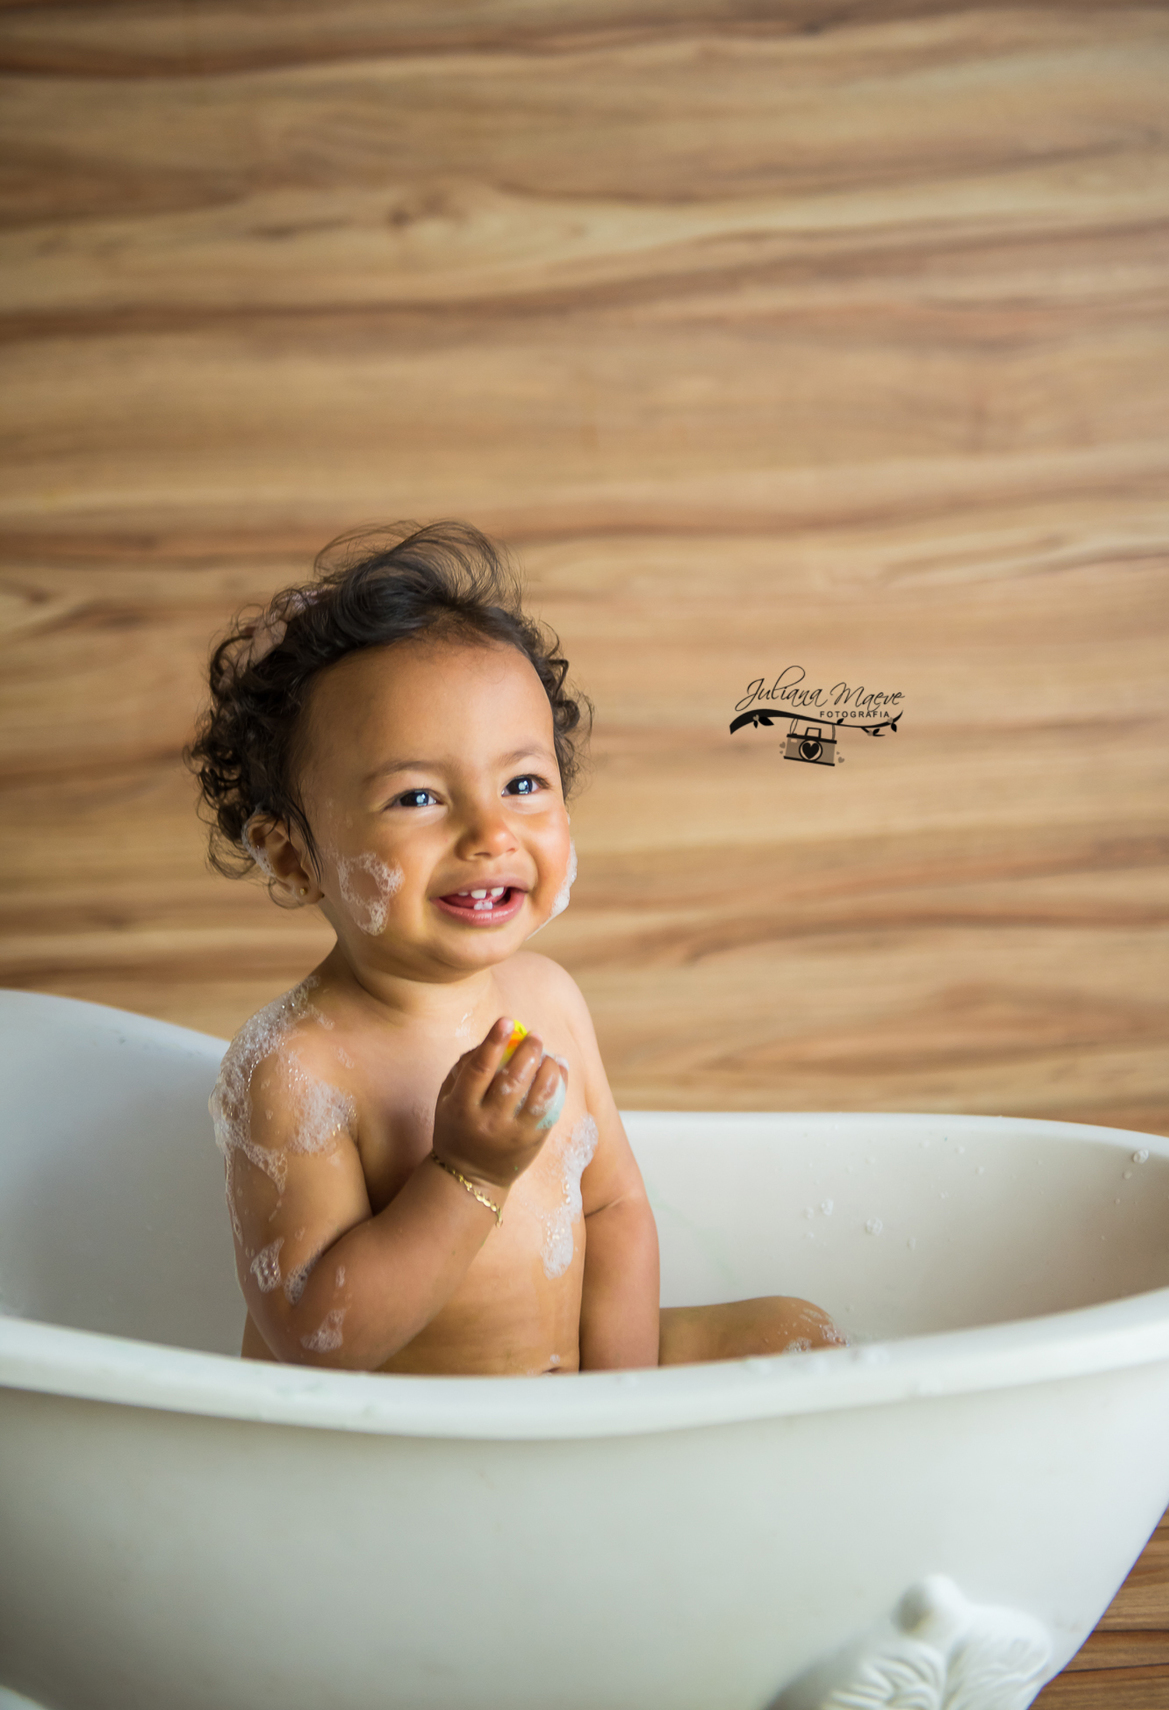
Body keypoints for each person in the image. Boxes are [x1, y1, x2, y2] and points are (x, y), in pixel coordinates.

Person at [188, 523, 842, 1373]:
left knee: (800, 1332)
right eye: (418, 796)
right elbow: (318, 1339)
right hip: (418, 1438)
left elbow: (612, 1210)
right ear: (294, 854)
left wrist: (618, 1400)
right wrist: (466, 1173)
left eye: (523, 784)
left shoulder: (547, 1000)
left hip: (561, 1396)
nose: (490, 831)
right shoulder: (298, 1066)